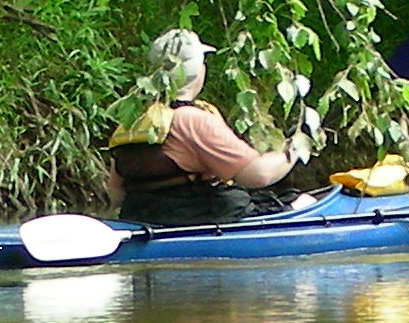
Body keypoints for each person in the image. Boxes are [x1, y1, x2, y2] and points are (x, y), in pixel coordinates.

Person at [105, 28, 302, 224]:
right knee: (302, 201)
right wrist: (292, 150)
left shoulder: (133, 119)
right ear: (198, 71)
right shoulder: (193, 119)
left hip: (144, 220)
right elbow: (259, 175)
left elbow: (116, 195)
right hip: (202, 216)